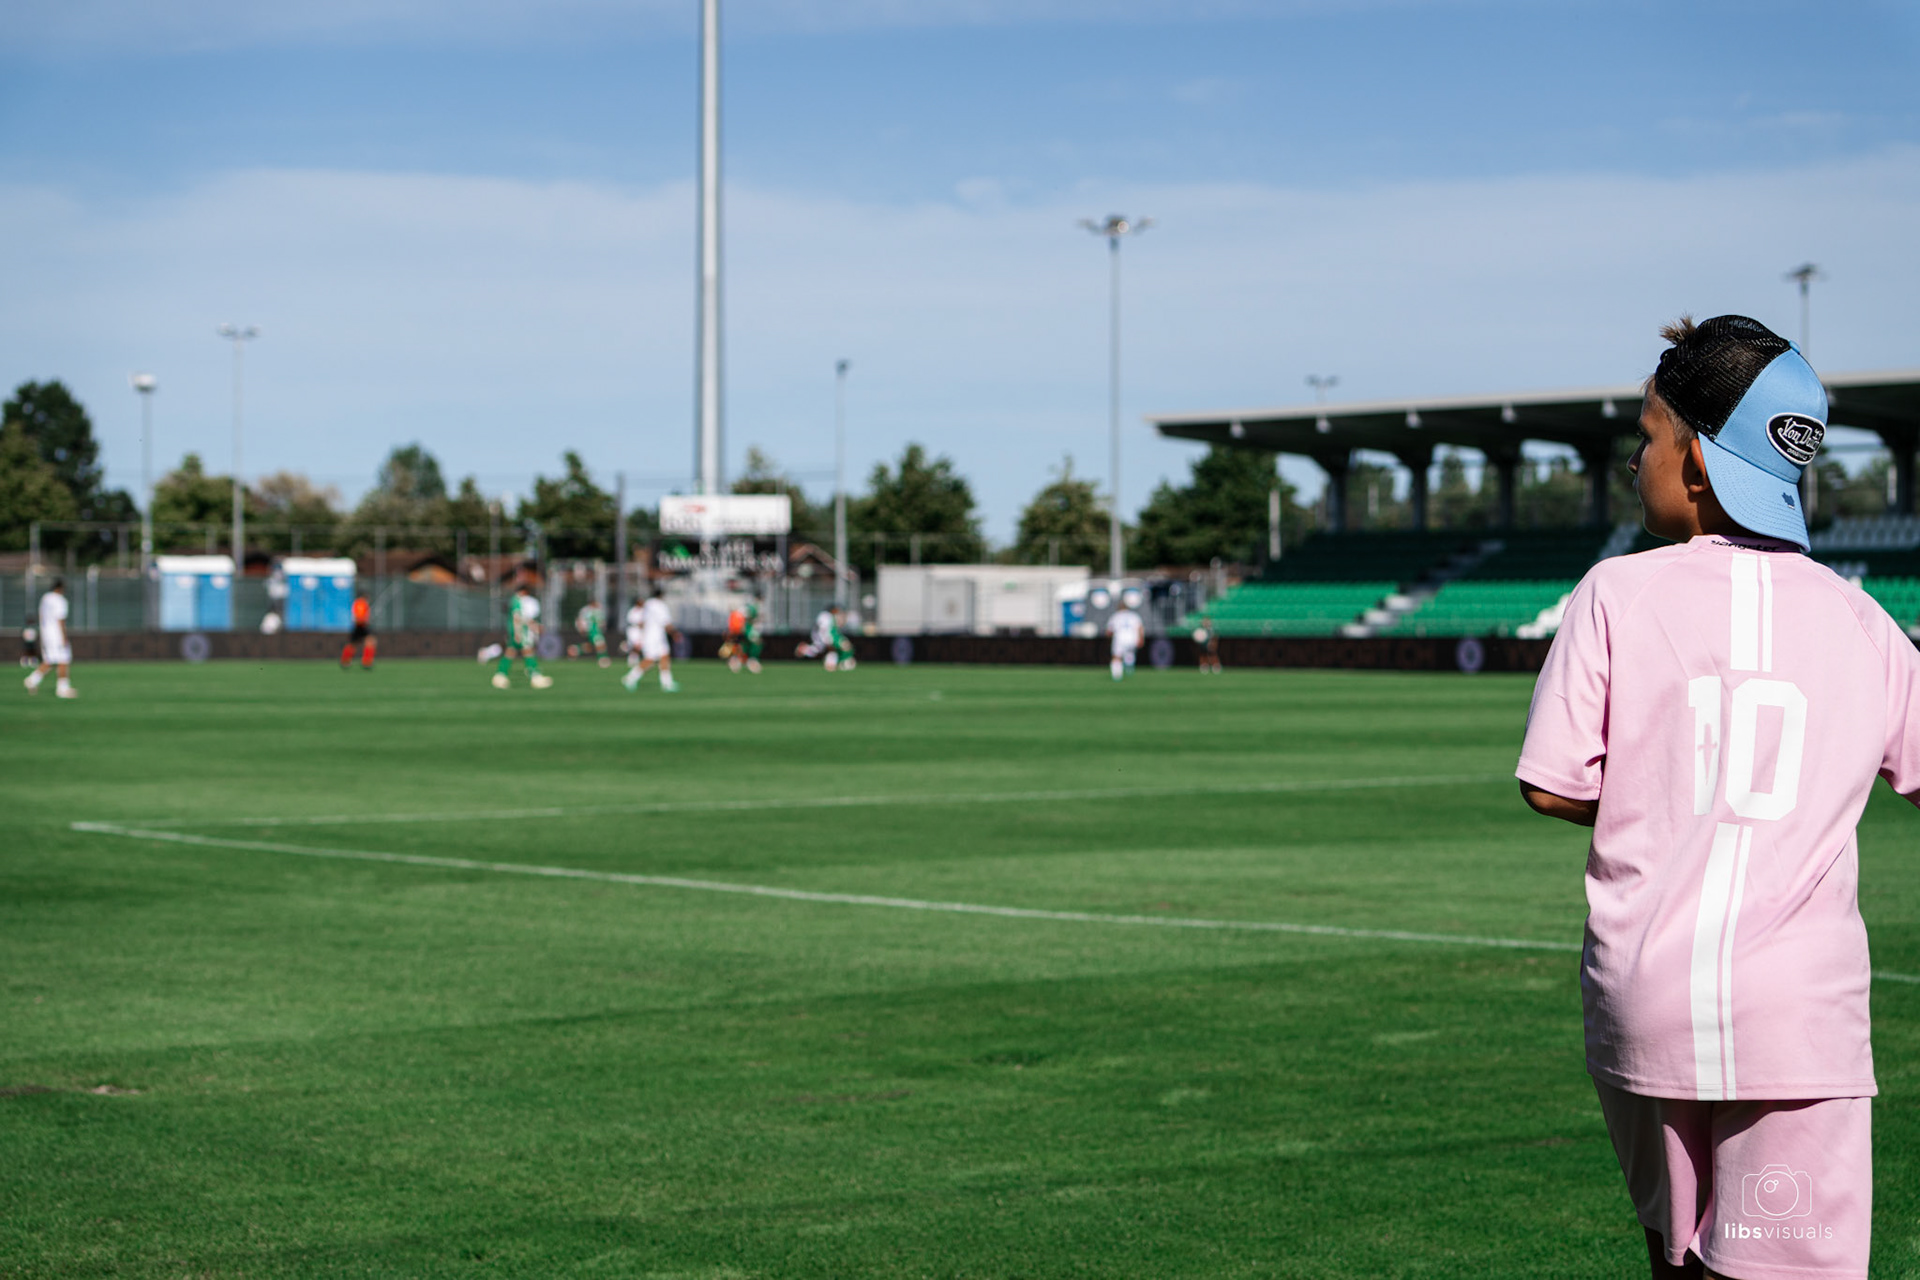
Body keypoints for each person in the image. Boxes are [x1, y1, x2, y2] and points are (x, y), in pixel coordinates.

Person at [1517, 315, 1914, 1280]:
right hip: (1798, 1017)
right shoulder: (1866, 624)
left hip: (1644, 999)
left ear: (1696, 462)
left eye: (1647, 437)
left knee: (1675, 1261)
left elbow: (1552, 786)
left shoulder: (1614, 592)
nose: (1635, 460)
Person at [22, 579, 75, 698]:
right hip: (56, 634)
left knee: (51, 660)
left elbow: (41, 617)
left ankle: (32, 680)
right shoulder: (60, 600)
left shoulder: (45, 598)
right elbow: (60, 620)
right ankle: (63, 689)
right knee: (64, 659)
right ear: (60, 588)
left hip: (46, 634)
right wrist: (64, 636)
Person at [493, 584, 553, 689]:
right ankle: (535, 677)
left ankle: (500, 675)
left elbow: (520, 617)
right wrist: (518, 632)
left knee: (510, 651)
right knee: (528, 650)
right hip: (520, 630)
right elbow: (517, 617)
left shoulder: (514, 600)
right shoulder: (517, 601)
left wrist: (532, 626)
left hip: (514, 630)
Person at [622, 587, 679, 692]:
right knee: (650, 660)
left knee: (664, 657)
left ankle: (667, 683)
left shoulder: (647, 604)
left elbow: (642, 621)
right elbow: (666, 622)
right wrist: (675, 634)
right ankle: (630, 678)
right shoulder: (660, 605)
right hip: (655, 636)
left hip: (652, 635)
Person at [1106, 591, 1144, 681]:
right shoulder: (1134, 615)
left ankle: (1117, 676)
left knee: (1117, 656)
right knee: (1129, 653)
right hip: (1132, 637)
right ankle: (1129, 669)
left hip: (1120, 638)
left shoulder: (1116, 616)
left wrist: (1109, 636)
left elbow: (1109, 630)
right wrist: (1141, 638)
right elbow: (1140, 627)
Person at [728, 599, 764, 674]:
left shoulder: (754, 607)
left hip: (747, 629)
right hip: (747, 629)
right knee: (754, 643)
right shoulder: (751, 608)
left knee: (747, 645)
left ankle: (739, 660)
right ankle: (750, 661)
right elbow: (747, 618)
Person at [340, 592, 375, 669]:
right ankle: (366, 662)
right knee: (368, 641)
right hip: (360, 626)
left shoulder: (358, 603)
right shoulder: (361, 603)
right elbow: (359, 616)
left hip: (360, 626)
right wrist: (363, 621)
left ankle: (346, 661)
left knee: (355, 644)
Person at [574, 599, 611, 668]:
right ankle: (602, 659)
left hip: (597, 630)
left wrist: (602, 626)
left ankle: (576, 650)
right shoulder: (586, 610)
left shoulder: (598, 610)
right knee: (600, 643)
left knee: (592, 646)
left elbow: (601, 621)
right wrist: (581, 628)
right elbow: (580, 620)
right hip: (592, 630)